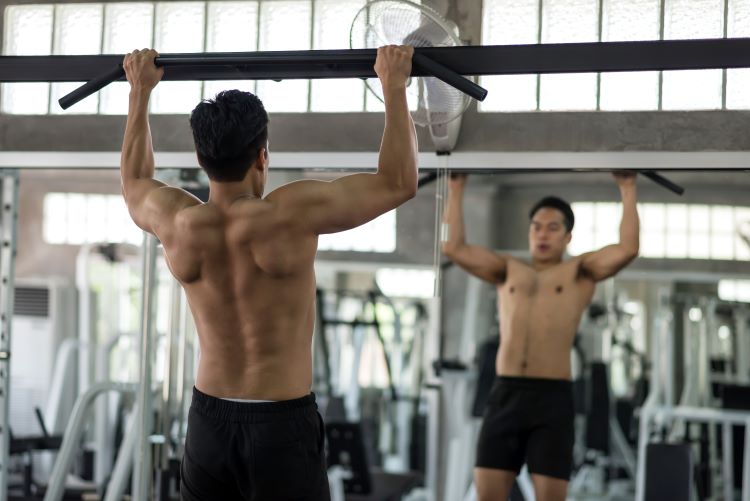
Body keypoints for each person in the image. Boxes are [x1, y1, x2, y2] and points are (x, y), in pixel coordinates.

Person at [120, 45, 417, 501]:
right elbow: (399, 181)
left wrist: (139, 91)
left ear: (200, 158)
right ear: (262, 156)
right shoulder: (290, 214)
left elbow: (135, 180)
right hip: (281, 423)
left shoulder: (175, 220)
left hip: (208, 421)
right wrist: (393, 85)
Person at [441, 173, 639, 501]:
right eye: (536, 226)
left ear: (568, 236)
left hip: (551, 399)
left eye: (552, 227)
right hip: (505, 394)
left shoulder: (580, 273)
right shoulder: (507, 270)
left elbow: (628, 248)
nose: (542, 234)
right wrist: (456, 187)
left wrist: (627, 188)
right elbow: (453, 247)